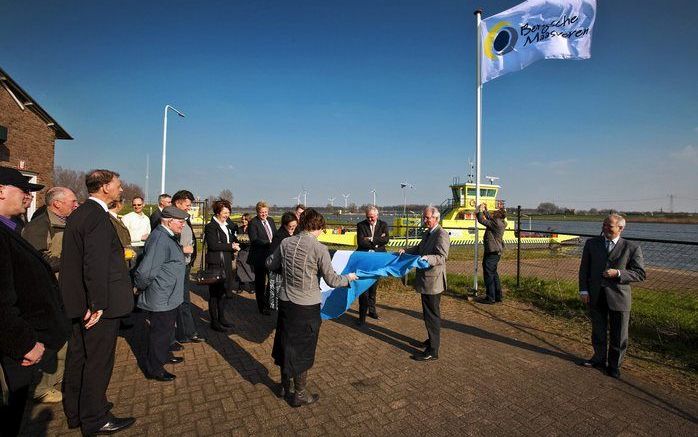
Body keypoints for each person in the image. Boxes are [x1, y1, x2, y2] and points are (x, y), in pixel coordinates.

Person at [60, 169, 135, 435]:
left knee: (79, 357)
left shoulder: (80, 214)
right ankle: (95, 418)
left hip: (81, 302)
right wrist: (98, 304)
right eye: (118, 184)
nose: (121, 189)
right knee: (98, 362)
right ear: (104, 187)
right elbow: (94, 264)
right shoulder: (97, 217)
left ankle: (76, 412)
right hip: (98, 306)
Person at [0, 167, 69, 436]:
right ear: (2, 190)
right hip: (14, 349)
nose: (28, 197)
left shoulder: (12, 228)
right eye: (24, 190)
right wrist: (24, 343)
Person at [266, 208, 357, 407]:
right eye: (321, 229)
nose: (321, 233)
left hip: (286, 301)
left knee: (285, 342)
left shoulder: (285, 242)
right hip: (306, 306)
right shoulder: (319, 248)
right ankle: (299, 393)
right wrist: (348, 279)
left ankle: (284, 387)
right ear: (316, 226)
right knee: (303, 348)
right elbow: (332, 280)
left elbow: (270, 264)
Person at [21, 186, 78, 404]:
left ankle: (55, 380)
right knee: (52, 340)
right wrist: (72, 259)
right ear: (57, 204)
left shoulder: (64, 222)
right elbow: (37, 262)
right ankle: (41, 388)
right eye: (72, 201)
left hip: (62, 291)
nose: (75, 204)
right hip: (48, 295)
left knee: (63, 338)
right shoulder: (39, 226)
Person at [578, 213, 645, 379]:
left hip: (619, 297)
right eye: (604, 225)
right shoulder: (592, 244)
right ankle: (598, 358)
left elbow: (640, 274)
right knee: (598, 330)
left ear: (620, 228)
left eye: (610, 226)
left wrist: (618, 273)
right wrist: (584, 290)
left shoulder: (631, 247)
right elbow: (584, 269)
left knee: (619, 334)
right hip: (596, 294)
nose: (605, 228)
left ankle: (614, 365)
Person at [134, 206, 189, 382]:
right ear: (168, 221)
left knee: (165, 332)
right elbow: (145, 272)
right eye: (180, 222)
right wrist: (139, 288)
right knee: (160, 333)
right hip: (161, 296)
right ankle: (155, 368)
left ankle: (162, 356)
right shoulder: (160, 239)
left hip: (168, 295)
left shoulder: (166, 236)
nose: (183, 225)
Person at [399, 206, 450, 362]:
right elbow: (419, 248)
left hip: (433, 282)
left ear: (436, 218)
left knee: (432, 315)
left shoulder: (441, 234)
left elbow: (442, 257)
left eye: (427, 218)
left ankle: (433, 351)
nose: (425, 220)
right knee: (428, 314)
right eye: (424, 217)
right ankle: (431, 340)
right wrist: (405, 251)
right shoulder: (429, 233)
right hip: (427, 281)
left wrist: (428, 258)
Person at [171, 190, 205, 344]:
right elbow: (163, 242)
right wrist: (182, 249)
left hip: (184, 264)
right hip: (176, 266)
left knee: (184, 299)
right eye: (187, 205)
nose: (189, 208)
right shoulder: (168, 218)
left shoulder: (183, 217)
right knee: (180, 300)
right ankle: (184, 333)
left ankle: (185, 332)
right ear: (178, 203)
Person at [204, 199, 240, 332]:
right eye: (224, 212)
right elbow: (213, 245)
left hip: (226, 262)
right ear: (217, 212)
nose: (227, 215)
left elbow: (230, 239)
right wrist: (230, 246)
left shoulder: (227, 225)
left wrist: (236, 243)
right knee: (215, 293)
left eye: (228, 212)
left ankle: (222, 317)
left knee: (224, 292)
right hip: (216, 264)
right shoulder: (211, 227)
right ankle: (214, 321)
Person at [355, 205, 390, 325]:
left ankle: (372, 310)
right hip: (364, 260)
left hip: (378, 260)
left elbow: (386, 240)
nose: (370, 220)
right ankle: (361, 316)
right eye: (368, 217)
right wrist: (377, 240)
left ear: (377, 215)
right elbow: (360, 242)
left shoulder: (383, 225)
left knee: (374, 287)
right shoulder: (361, 225)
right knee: (363, 288)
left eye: (372, 217)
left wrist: (370, 239)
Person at [248, 201, 276, 315]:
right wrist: (269, 243)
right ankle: (262, 307)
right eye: (261, 212)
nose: (264, 214)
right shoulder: (253, 223)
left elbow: (275, 234)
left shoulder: (271, 220)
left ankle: (270, 303)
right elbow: (254, 239)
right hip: (259, 257)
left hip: (271, 256)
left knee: (272, 280)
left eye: (265, 212)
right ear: (257, 212)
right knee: (260, 283)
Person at [476, 203, 507, 304]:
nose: (494, 213)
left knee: (488, 274)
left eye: (495, 212)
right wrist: (485, 210)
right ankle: (498, 295)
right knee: (494, 273)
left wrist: (480, 211)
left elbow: (482, 220)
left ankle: (491, 297)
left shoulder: (496, 223)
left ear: (498, 215)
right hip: (495, 252)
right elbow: (490, 217)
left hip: (492, 251)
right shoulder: (500, 222)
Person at [268, 212, 298, 311]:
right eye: (290, 226)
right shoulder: (279, 236)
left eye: (295, 225)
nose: (293, 228)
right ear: (285, 225)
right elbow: (274, 254)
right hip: (280, 271)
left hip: (291, 270)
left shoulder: (297, 232)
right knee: (280, 297)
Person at [121, 196, 151, 261]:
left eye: (139, 204)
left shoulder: (146, 218)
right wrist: (140, 237)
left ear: (143, 204)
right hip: (132, 248)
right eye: (134, 205)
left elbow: (148, 233)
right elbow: (124, 236)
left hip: (144, 248)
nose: (136, 206)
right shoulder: (126, 218)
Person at [234, 213, 255, 292]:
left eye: (245, 219)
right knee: (240, 268)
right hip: (241, 251)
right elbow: (237, 240)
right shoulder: (239, 229)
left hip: (250, 251)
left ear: (249, 220)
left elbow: (252, 240)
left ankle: (251, 287)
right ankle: (240, 287)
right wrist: (244, 240)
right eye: (242, 219)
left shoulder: (252, 228)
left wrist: (242, 239)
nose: (243, 221)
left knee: (250, 269)